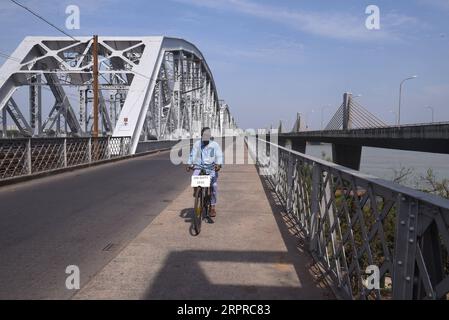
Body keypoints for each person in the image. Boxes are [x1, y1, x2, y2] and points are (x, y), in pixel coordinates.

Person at [187, 127, 223, 217]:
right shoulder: (197, 144)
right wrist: (189, 164)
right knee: (194, 177)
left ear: (210, 136)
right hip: (199, 166)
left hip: (211, 168)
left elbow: (219, 156)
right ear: (201, 135)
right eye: (204, 135)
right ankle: (197, 191)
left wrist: (218, 164)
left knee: (213, 186)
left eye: (208, 135)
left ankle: (212, 206)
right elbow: (192, 155)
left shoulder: (215, 145)